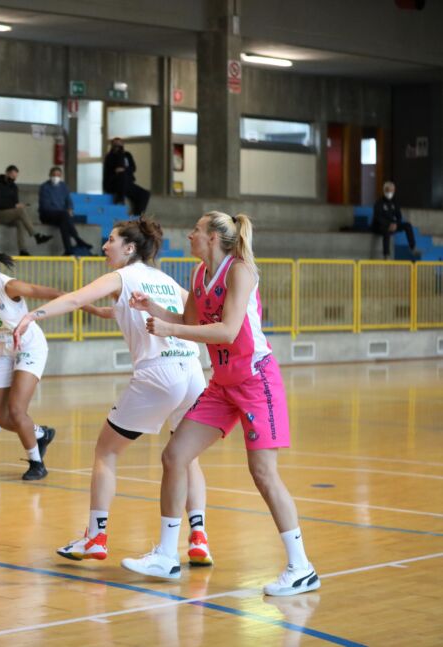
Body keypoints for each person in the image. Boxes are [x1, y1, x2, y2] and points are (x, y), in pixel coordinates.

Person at [120, 212, 318, 597]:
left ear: (212, 237)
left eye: (195, 230)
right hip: (223, 384)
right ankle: (166, 555)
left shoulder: (240, 271)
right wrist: (154, 310)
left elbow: (227, 331)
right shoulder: (199, 275)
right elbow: (189, 320)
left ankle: (301, 568)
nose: (189, 235)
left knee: (263, 473)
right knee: (175, 456)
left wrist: (170, 329)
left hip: (256, 380)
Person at [12, 219, 212, 565]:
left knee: (106, 451)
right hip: (193, 373)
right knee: (187, 456)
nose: (105, 246)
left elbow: (74, 298)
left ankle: (96, 536)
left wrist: (32, 315)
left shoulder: (122, 276)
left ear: (129, 248)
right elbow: (192, 314)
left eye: (111, 240)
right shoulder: (165, 280)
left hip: (159, 373)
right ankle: (199, 537)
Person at [0, 243, 106, 480]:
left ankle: (37, 464)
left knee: (16, 410)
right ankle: (40, 433)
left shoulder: (9, 286)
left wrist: (97, 311)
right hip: (2, 350)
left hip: (29, 346)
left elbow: (57, 295)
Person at [0, 165, 53, 255]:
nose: (13, 178)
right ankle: (36, 235)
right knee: (20, 211)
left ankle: (23, 250)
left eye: (15, 177)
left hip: (8, 214)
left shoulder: (14, 187)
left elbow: (15, 203)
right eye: (12, 175)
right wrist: (15, 206)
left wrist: (18, 205)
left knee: (20, 222)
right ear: (7, 173)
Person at [38, 166, 93, 255]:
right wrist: (63, 212)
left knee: (64, 221)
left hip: (61, 216)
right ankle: (77, 239)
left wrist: (70, 209)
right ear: (50, 175)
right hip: (47, 215)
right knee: (64, 216)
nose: (56, 177)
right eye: (54, 175)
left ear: (61, 176)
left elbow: (69, 201)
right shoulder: (44, 187)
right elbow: (45, 206)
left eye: (58, 175)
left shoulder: (64, 186)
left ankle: (68, 249)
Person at [372, 181, 420, 260]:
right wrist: (388, 225)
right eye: (388, 190)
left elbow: (399, 216)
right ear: (384, 191)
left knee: (407, 225)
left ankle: (413, 248)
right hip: (380, 226)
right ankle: (386, 255)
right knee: (386, 231)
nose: (390, 193)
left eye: (392, 191)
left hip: (393, 224)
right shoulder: (379, 202)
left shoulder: (394, 202)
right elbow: (378, 217)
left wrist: (395, 224)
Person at [103, 137, 150, 216]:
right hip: (114, 183)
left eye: (119, 144)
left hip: (128, 183)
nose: (118, 146)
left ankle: (137, 216)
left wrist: (124, 169)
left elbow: (133, 168)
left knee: (145, 194)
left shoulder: (127, 155)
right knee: (122, 175)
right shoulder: (109, 156)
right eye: (115, 144)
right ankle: (119, 199)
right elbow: (111, 171)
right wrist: (120, 167)